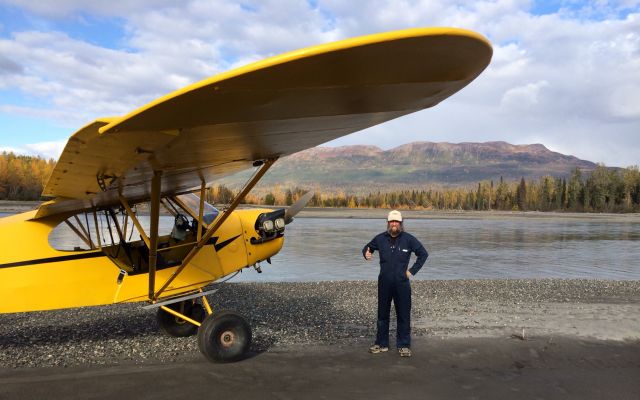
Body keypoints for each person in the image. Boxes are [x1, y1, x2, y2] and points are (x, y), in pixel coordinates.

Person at [362, 210, 428, 357]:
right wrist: (367, 254)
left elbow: (423, 254)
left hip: (402, 283)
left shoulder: (409, 239)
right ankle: (382, 343)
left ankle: (404, 345)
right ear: (388, 223)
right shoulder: (380, 239)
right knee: (382, 315)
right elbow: (367, 248)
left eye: (396, 222)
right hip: (384, 283)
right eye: (392, 221)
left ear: (401, 223)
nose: (394, 224)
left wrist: (411, 271)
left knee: (403, 314)